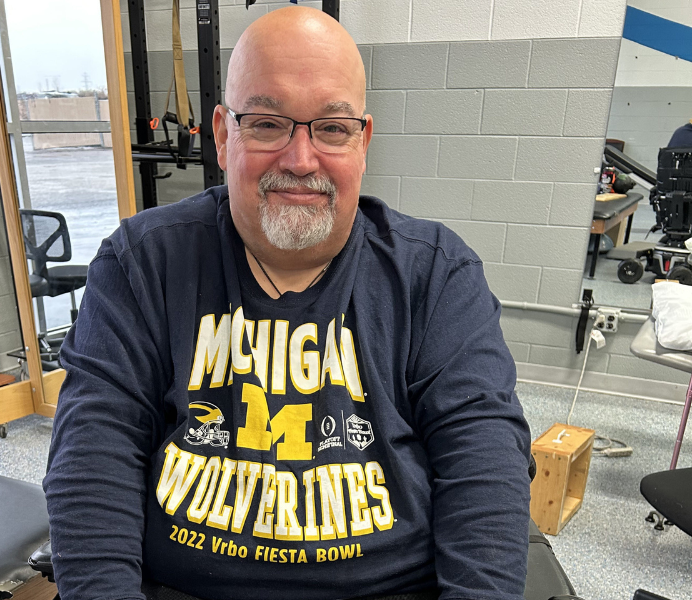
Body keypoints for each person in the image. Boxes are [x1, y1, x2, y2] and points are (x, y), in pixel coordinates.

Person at [44, 6, 532, 600]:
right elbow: (92, 463)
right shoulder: (140, 264)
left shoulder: (437, 274)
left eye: (331, 128)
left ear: (363, 140)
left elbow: (484, 470)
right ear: (223, 135)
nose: (301, 160)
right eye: (269, 124)